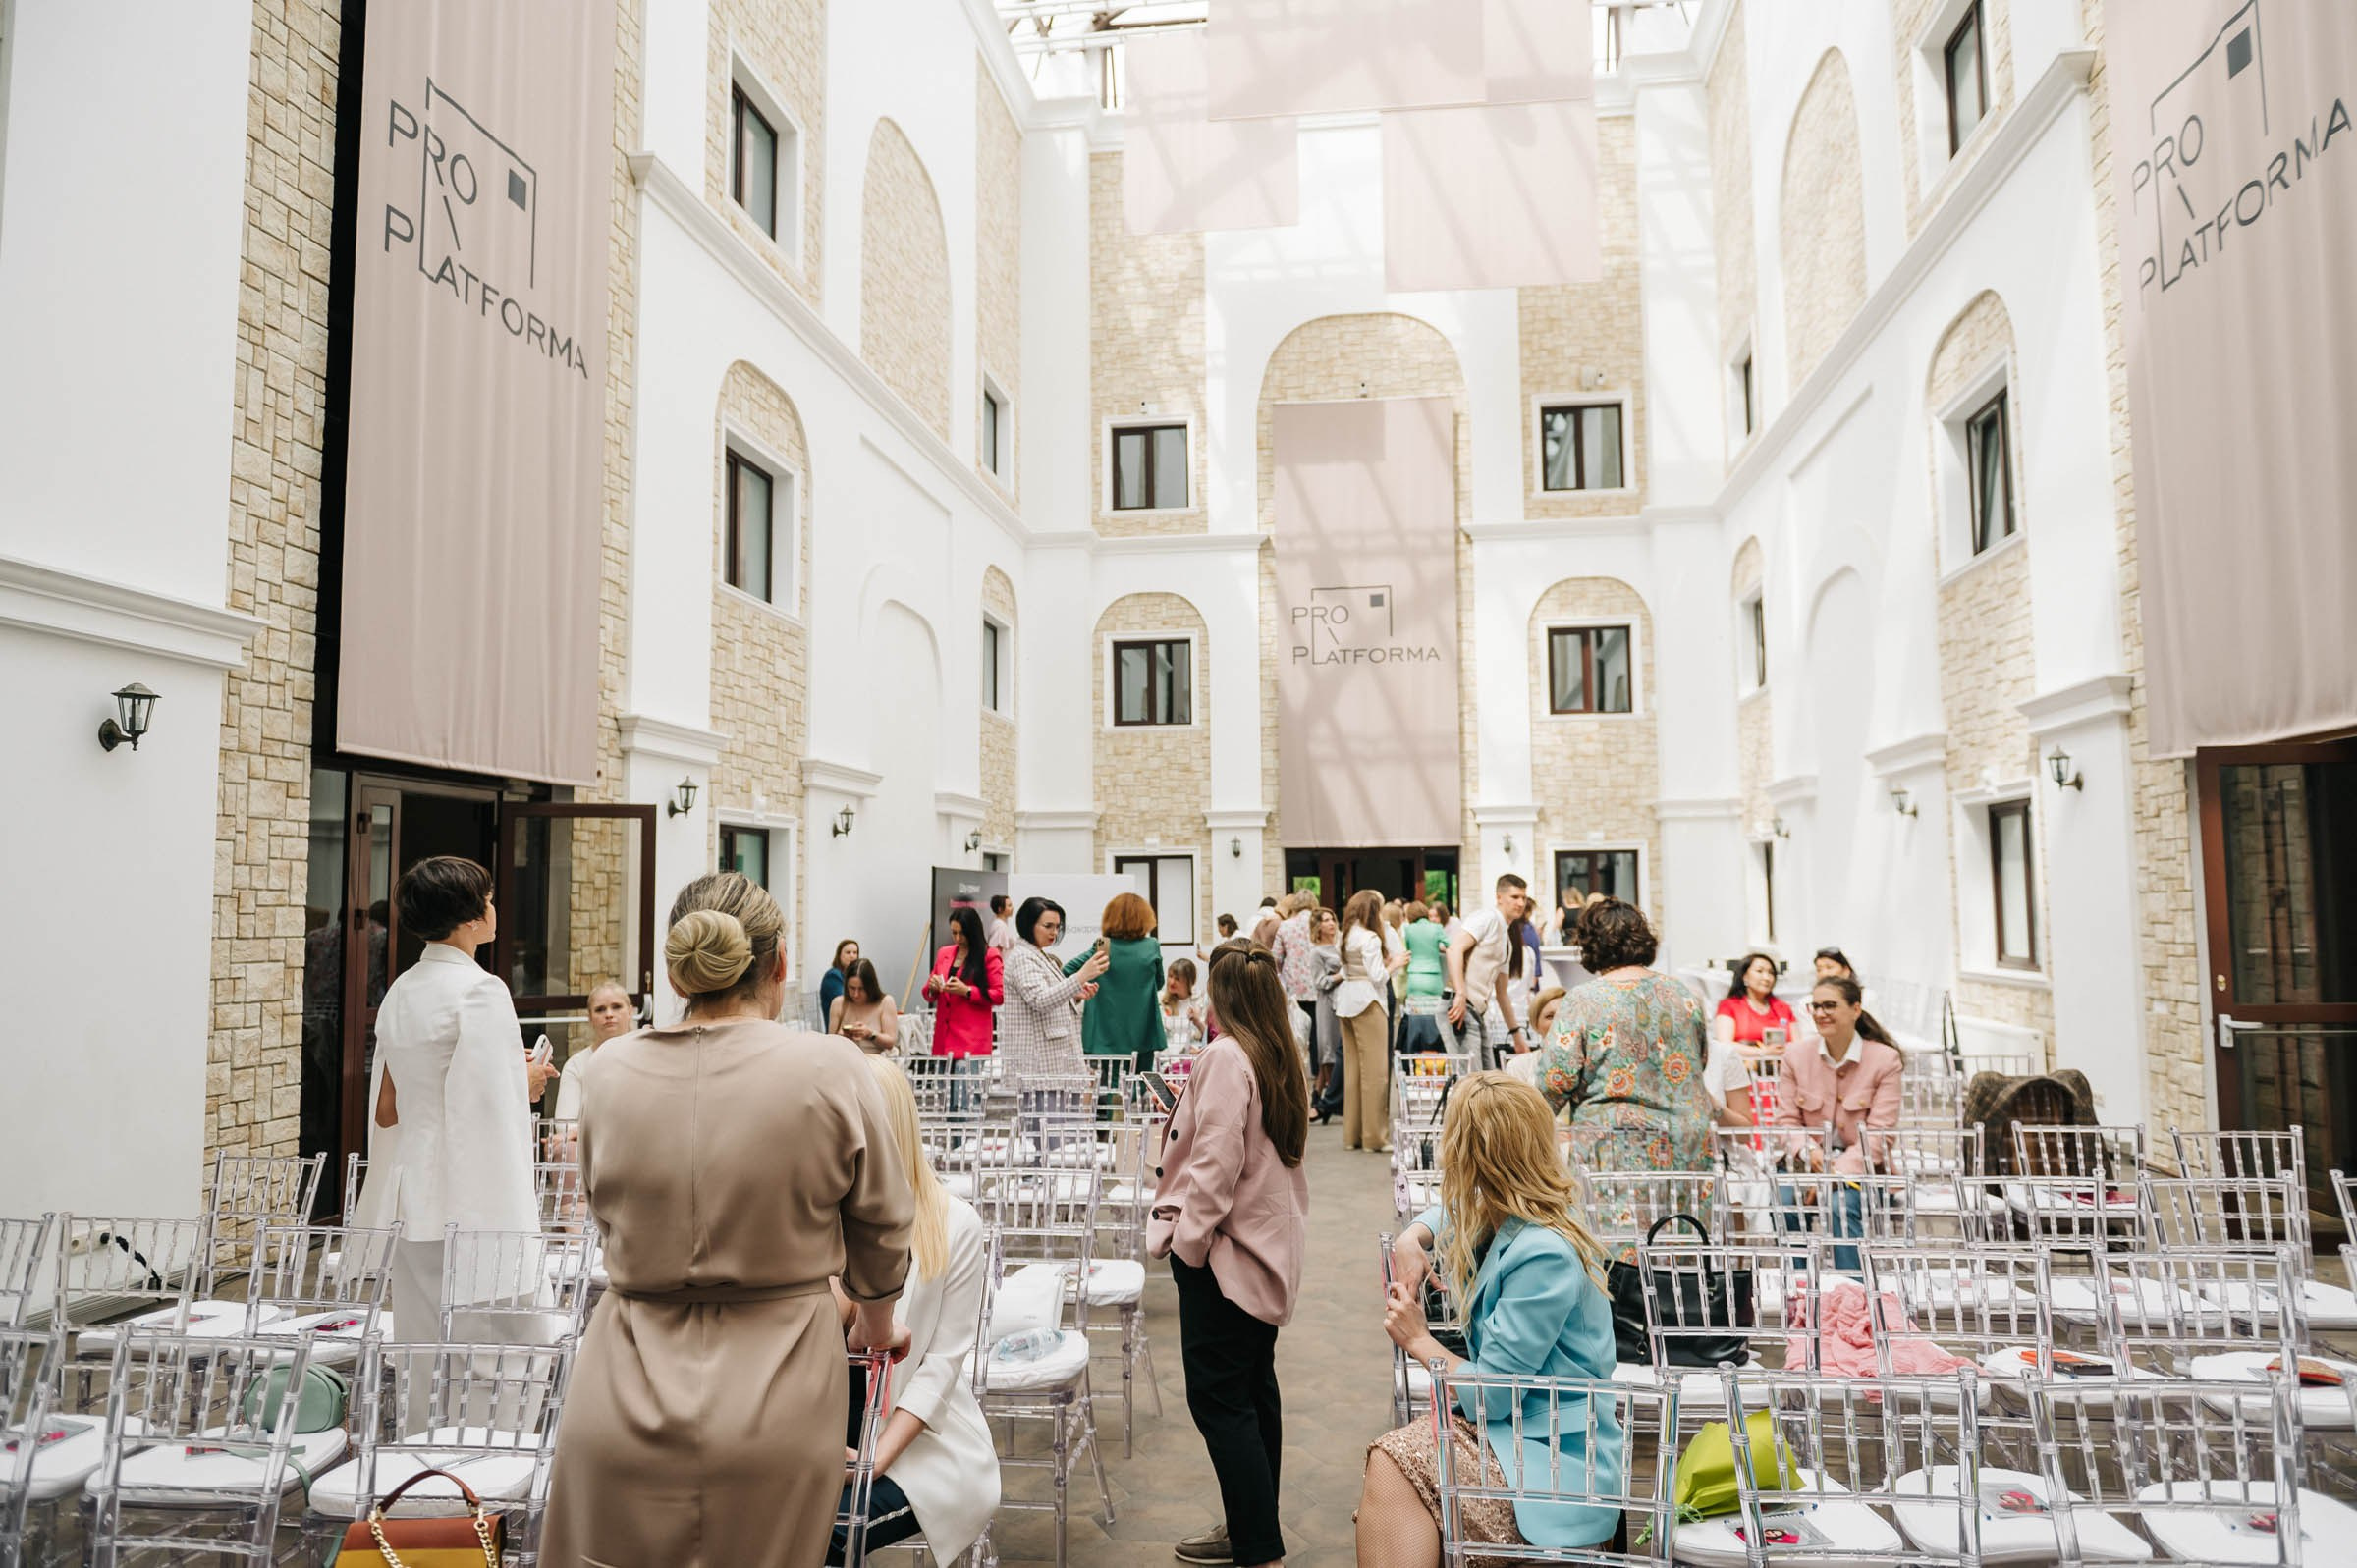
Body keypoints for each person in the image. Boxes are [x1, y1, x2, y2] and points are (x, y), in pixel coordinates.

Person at [542, 872, 914, 1568]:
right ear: (776, 965)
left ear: (682, 970)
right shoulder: (830, 1064)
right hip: (778, 1388)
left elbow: (600, 1203)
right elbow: (885, 1224)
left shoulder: (610, 1069)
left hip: (621, 1379)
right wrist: (877, 1318)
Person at [1364, 1074, 1625, 1565]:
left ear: (1467, 1156)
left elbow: (1494, 1397)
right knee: (1396, 1465)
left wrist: (1420, 1341)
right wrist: (1412, 1237)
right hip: (1523, 1436)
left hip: (1557, 1463)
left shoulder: (1542, 1253)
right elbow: (1458, 1209)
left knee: (1395, 1462)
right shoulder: (1528, 1209)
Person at [1152, 942, 1310, 1568]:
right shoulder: (1276, 1053)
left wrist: (1187, 1245)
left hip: (1225, 1253)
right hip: (1265, 1248)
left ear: (1224, 995)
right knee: (1250, 1391)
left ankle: (1257, 1547)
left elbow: (1217, 1165)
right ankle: (1250, 1527)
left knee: (1220, 1400)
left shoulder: (1225, 1055)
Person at [354, 856, 546, 1344]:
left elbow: (386, 1110)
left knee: (422, 1350)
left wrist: (507, 1073)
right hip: (470, 1197)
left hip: (411, 1192)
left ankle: (421, 1426)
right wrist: (525, 1082)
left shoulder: (401, 990)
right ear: (471, 917)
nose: (493, 907)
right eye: (488, 898)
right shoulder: (480, 989)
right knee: (488, 1356)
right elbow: (485, 1110)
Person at [827, 1057, 998, 1565]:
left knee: (821, 1533)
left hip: (916, 1447)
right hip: (813, 1434)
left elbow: (941, 1366)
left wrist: (876, 1459)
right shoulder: (812, 1216)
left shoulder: (954, 1223)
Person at [1532, 897, 1716, 1245]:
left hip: (1616, 1149)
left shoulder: (1584, 1000)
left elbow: (1555, 1079)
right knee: (1680, 1250)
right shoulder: (1683, 994)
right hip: (1686, 1145)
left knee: (1619, 1256)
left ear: (1590, 944)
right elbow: (1699, 1060)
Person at [1775, 974, 1903, 1270]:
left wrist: (1835, 1173)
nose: (1820, 1014)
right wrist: (1811, 1155)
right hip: (1806, 1163)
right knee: (1785, 1200)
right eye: (1815, 1006)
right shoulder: (1796, 1055)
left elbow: (1880, 1134)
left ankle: (1852, 1296)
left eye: (1829, 1005)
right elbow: (1786, 1121)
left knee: (1840, 1207)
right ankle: (1799, 1290)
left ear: (1855, 1009)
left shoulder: (1885, 1059)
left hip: (1863, 1169)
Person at [1000, 896, 1107, 1083]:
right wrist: (1081, 976)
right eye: (1048, 926)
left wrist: (1075, 993)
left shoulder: (1037, 954)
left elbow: (1046, 993)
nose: (1054, 932)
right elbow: (1040, 999)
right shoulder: (1023, 958)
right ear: (1029, 924)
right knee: (1047, 1112)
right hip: (1039, 1066)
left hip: (1050, 1063)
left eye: (1057, 927)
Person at [1332, 890, 1398, 1153]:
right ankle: (1375, 1137)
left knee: (1354, 1072)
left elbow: (1348, 970)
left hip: (1347, 1001)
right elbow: (1378, 977)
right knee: (1376, 1073)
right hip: (1369, 1002)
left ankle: (1353, 1135)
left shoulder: (1345, 935)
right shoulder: (1370, 938)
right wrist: (1395, 964)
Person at [1445, 875, 1532, 1063]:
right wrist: (1460, 994)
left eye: (1523, 898)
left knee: (1489, 1078)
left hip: (1475, 1011)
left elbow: (1502, 994)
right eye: (1515, 897)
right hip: (1459, 1005)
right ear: (1499, 897)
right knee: (1472, 1082)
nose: (1521, 903)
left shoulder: (1506, 940)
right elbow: (1454, 950)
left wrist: (1517, 1035)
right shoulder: (1487, 918)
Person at [1708, 952, 1796, 1129]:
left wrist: (1782, 1051)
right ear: (1745, 976)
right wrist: (1762, 1053)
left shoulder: (1783, 1008)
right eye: (1760, 971)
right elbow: (1724, 1044)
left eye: (1771, 972)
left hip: (1780, 1082)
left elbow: (1798, 1044)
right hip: (1745, 1083)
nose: (1767, 977)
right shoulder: (1730, 1006)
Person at [1083, 891, 1166, 1073]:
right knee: (1140, 1081)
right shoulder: (1151, 945)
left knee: (1109, 1085)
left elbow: (1067, 971)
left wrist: (1086, 988)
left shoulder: (1104, 945)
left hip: (1106, 1032)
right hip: (1143, 1028)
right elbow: (1159, 983)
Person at [922, 905, 1003, 1059]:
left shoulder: (989, 955)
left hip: (971, 1043)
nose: (958, 938)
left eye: (962, 933)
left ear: (973, 932)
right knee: (941, 1083)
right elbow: (928, 993)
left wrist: (967, 991)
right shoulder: (943, 953)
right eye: (954, 933)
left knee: (964, 1083)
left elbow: (999, 995)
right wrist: (932, 987)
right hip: (943, 1041)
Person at [552, 977, 635, 1122]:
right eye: (600, 1010)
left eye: (616, 1007)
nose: (609, 1014)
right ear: (590, 1017)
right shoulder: (576, 1066)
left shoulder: (647, 1057)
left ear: (630, 1012)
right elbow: (565, 1124)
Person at [1266, 892, 1319, 1044]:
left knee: (1296, 1030)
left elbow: (1276, 957)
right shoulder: (1318, 923)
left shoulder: (1286, 925)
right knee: (1315, 1031)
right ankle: (1316, 1066)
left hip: (1293, 986)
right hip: (1316, 986)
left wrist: (1282, 973)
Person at [1308, 907, 1344, 1123]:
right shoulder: (1316, 953)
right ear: (1318, 926)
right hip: (1327, 1004)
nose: (1331, 923)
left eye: (1332, 919)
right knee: (1329, 1051)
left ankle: (1320, 1099)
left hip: (1344, 1003)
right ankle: (1328, 1101)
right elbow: (1320, 982)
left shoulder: (1341, 946)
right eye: (1325, 920)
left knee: (1337, 1051)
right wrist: (1341, 975)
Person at [1398, 901, 1448, 1054]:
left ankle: (1416, 1052)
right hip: (1434, 977)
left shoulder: (1408, 929)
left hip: (1415, 977)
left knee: (1416, 1019)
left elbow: (1406, 951)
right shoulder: (1437, 927)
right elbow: (1450, 945)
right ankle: (1435, 1051)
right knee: (1435, 1019)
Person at [830, 958, 900, 1054]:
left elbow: (891, 1042)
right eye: (852, 988)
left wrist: (870, 1034)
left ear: (871, 987)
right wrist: (842, 1036)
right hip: (846, 1060)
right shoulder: (838, 1003)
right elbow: (830, 1042)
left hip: (876, 1062)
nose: (856, 994)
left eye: (861, 989)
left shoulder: (885, 1002)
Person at [1163, 956, 1206, 1054]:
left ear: (1189, 981)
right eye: (1170, 976)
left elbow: (1210, 1036)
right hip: (1166, 1058)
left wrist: (1197, 1022)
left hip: (1192, 1057)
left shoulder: (1200, 1002)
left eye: (1177, 979)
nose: (1171, 982)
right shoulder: (1162, 1002)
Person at [820, 938, 861, 1024]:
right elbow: (847, 1003)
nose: (852, 956)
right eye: (848, 953)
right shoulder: (833, 976)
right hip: (838, 1031)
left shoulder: (854, 976)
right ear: (839, 955)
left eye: (855, 953)